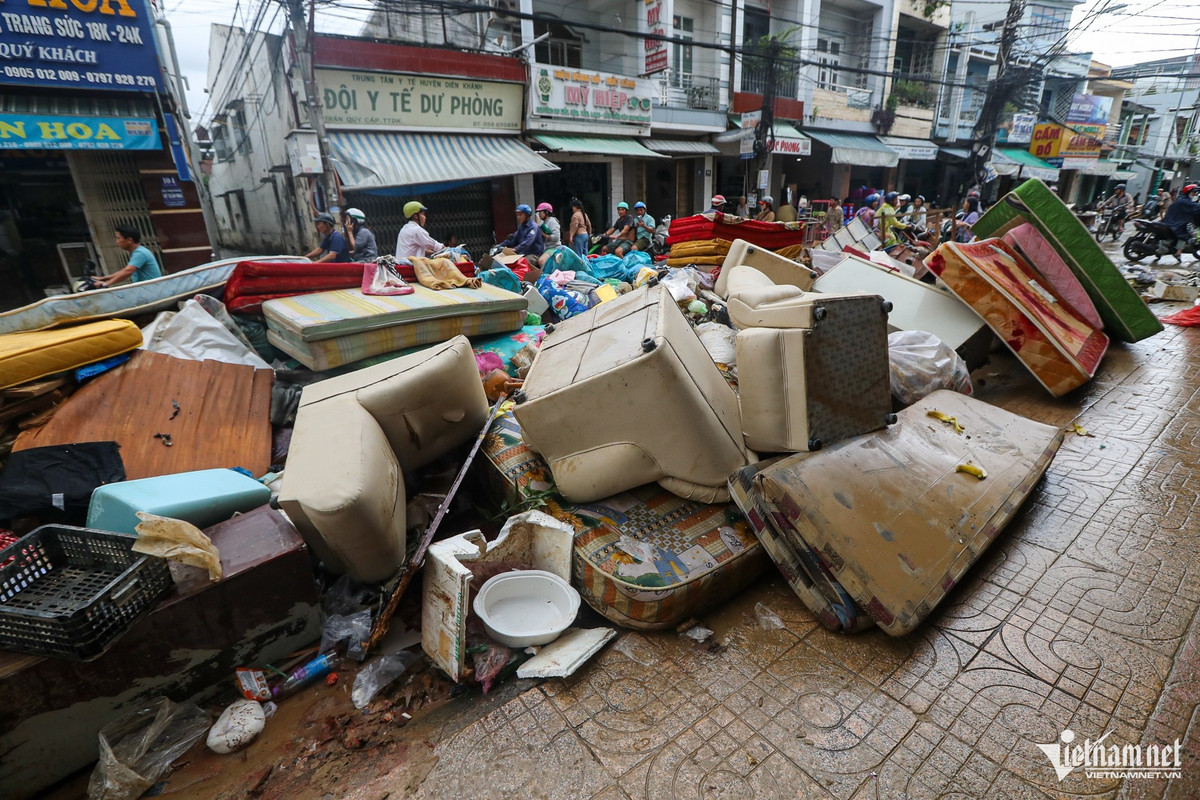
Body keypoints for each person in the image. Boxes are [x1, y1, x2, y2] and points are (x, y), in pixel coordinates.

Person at [1161, 183, 1200, 263]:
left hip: (1170, 221)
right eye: (1193, 193)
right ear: (1188, 192)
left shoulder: (1181, 200)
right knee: (1184, 234)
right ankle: (1178, 252)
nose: (1194, 195)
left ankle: (1171, 245)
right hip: (1175, 223)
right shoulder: (1186, 202)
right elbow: (1197, 208)